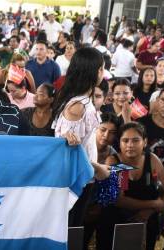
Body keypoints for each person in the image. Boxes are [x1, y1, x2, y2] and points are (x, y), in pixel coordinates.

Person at [51, 47, 110, 227]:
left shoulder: (82, 100)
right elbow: (68, 153)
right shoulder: (78, 105)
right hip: (76, 179)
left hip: (84, 175)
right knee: (70, 227)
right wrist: (98, 167)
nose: (103, 72)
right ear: (95, 71)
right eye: (101, 68)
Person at [100, 122, 164, 250]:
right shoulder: (115, 162)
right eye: (125, 140)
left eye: (135, 140)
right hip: (117, 223)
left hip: (146, 223)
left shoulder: (152, 160)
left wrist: (148, 212)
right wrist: (154, 204)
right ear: (120, 143)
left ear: (145, 142)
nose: (130, 145)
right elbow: (119, 199)